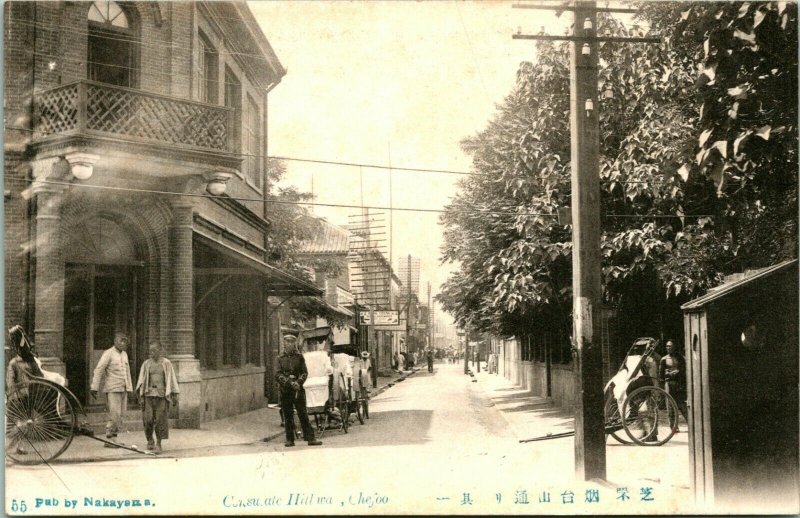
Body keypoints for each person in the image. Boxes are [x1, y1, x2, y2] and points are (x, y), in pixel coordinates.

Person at [275, 335, 322, 447]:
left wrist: (298, 382)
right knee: (288, 415)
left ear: (295, 344)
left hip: (298, 390)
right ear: (284, 343)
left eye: (292, 342)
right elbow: (277, 374)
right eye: (287, 341)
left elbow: (304, 372)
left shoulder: (299, 357)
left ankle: (310, 438)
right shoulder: (279, 358)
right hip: (286, 390)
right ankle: (289, 440)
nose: (290, 344)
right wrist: (289, 383)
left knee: (303, 413)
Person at [135, 342, 179, 453]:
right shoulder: (146, 364)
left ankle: (159, 443)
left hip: (162, 395)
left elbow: (172, 380)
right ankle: (150, 440)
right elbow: (141, 380)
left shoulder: (166, 363)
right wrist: (141, 396)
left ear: (160, 350)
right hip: (148, 395)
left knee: (160, 420)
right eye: (150, 351)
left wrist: (174, 395)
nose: (152, 353)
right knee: (148, 419)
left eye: (154, 350)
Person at [91, 332, 133, 445]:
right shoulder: (108, 353)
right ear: (115, 341)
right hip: (112, 389)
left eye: (125, 341)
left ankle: (113, 439)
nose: (123, 343)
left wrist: (130, 388)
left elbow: (127, 372)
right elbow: (99, 369)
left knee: (121, 415)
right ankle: (109, 439)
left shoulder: (124, 354)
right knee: (114, 415)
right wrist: (94, 387)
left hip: (123, 388)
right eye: (121, 340)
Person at [659, 339, 688, 424]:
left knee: (682, 404)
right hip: (669, 384)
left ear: (674, 347)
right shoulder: (663, 359)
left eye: (670, 346)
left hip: (679, 384)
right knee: (670, 406)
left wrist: (678, 372)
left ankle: (691, 424)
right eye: (667, 346)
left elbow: (684, 370)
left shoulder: (681, 358)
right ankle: (673, 427)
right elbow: (661, 375)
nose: (668, 348)